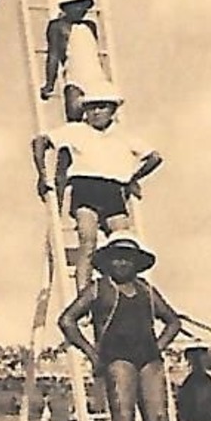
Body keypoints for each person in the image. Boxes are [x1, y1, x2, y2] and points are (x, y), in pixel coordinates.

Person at [57, 231, 182, 421]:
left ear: (136, 263)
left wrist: (158, 346)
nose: (122, 262)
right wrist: (92, 353)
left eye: (128, 258)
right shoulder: (98, 288)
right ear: (107, 261)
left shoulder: (146, 290)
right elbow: (67, 320)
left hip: (149, 359)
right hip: (117, 358)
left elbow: (173, 321)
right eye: (117, 257)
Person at [32, 84, 162, 292]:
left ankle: (122, 291)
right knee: (88, 241)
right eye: (91, 108)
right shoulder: (76, 131)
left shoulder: (123, 135)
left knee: (124, 244)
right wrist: (41, 174)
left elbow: (154, 157)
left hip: (113, 190)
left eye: (102, 107)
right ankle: (83, 294)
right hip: (86, 189)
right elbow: (40, 141)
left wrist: (132, 178)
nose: (96, 112)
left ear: (112, 110)